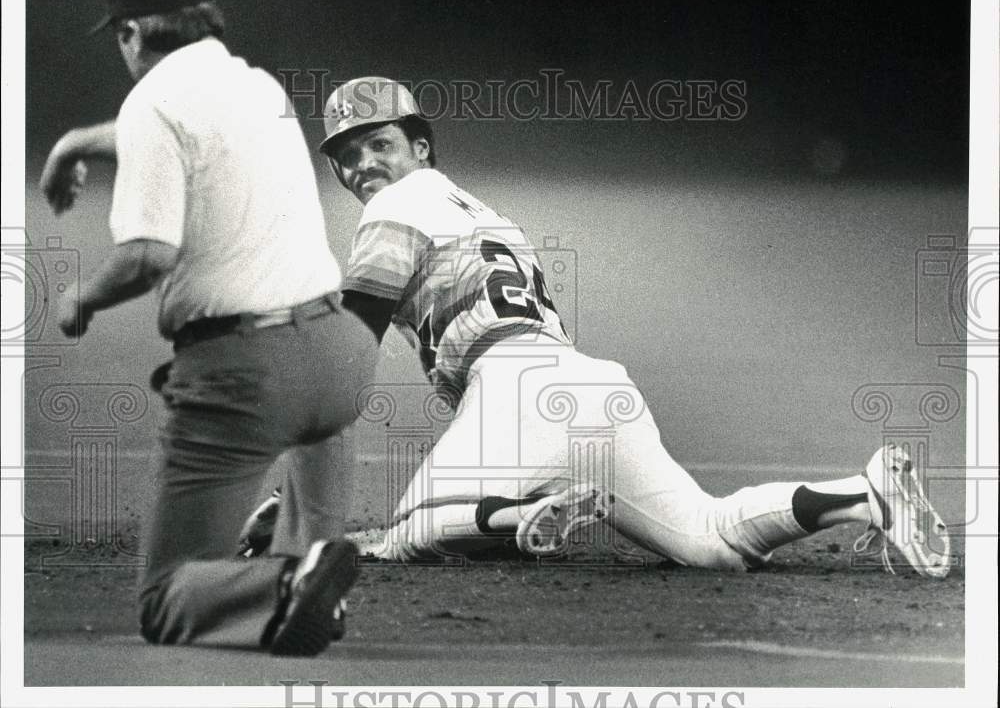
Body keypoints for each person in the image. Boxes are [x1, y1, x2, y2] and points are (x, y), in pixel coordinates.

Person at [243, 75, 951, 579]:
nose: (364, 163)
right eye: (347, 153)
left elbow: (352, 335)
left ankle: (536, 511)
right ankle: (862, 495)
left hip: (517, 387)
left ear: (420, 148)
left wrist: (302, 489)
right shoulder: (481, 212)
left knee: (410, 536)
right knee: (710, 541)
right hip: (590, 386)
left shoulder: (394, 207)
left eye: (380, 144)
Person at [42, 0, 378, 655]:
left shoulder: (151, 106)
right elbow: (180, 136)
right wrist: (81, 141)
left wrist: (82, 298)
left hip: (249, 380)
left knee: (165, 600)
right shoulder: (258, 87)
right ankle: (303, 578)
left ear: (131, 33)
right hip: (338, 359)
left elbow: (145, 257)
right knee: (297, 558)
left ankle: (281, 587)